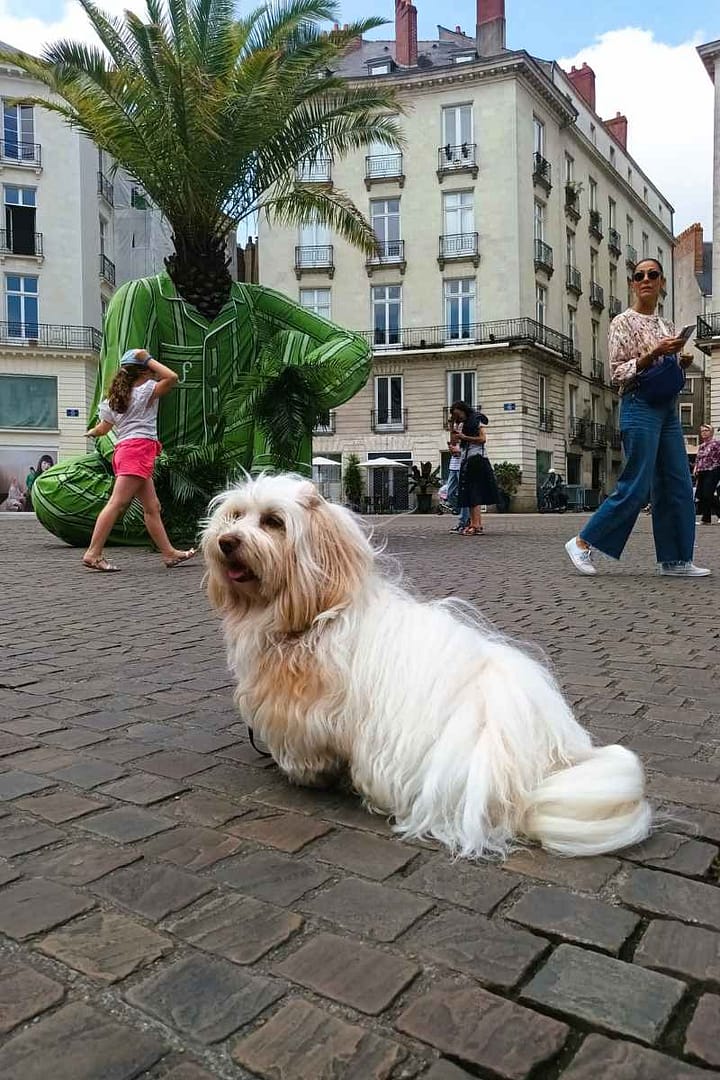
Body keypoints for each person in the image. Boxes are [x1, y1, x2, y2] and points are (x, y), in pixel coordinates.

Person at [565, 258, 709, 577]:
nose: (645, 279)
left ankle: (675, 560)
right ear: (633, 283)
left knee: (678, 483)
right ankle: (582, 542)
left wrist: (678, 360)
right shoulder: (622, 322)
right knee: (637, 485)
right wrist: (656, 353)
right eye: (639, 275)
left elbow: (662, 370)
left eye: (652, 274)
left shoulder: (665, 325)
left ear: (662, 283)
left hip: (668, 409)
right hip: (639, 404)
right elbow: (618, 373)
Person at [82, 348, 197, 572]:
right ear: (144, 371)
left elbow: (103, 429)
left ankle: (169, 553)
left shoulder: (115, 399)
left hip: (127, 450)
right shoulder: (146, 391)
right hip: (138, 450)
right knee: (117, 503)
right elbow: (172, 377)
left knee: (152, 507)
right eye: (149, 368)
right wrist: (149, 359)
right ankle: (93, 553)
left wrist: (91, 433)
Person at [450, 401, 498, 535]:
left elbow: (482, 439)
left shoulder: (476, 421)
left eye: (458, 414)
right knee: (469, 493)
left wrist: (464, 437)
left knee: (474, 492)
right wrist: (457, 448)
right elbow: (459, 443)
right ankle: (474, 523)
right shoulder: (462, 424)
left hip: (477, 459)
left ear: (463, 410)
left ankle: (476, 525)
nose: (458, 417)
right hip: (466, 459)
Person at [694, 424, 720, 525]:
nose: (704, 432)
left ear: (711, 432)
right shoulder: (701, 446)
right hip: (702, 471)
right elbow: (698, 459)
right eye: (702, 431)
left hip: (713, 470)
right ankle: (706, 519)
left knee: (707, 493)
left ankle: (706, 518)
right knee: (701, 495)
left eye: (706, 430)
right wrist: (696, 469)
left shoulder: (716, 443)